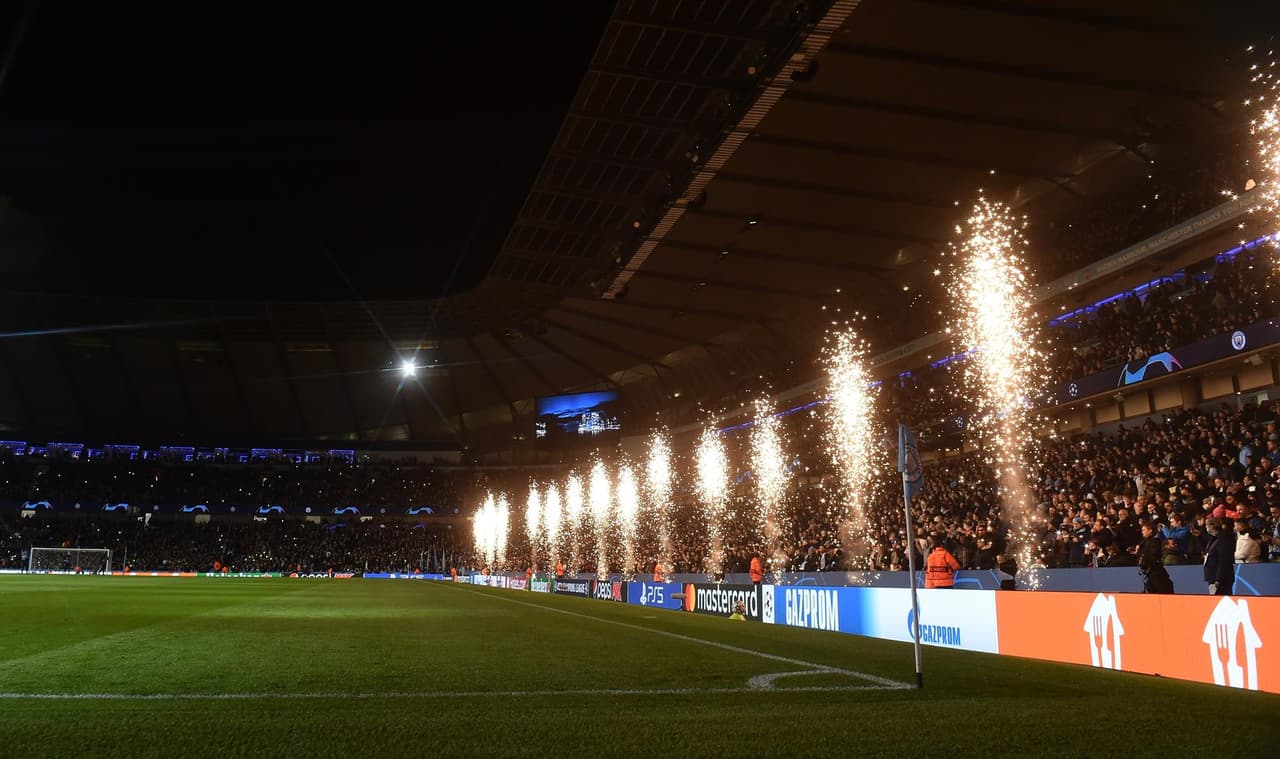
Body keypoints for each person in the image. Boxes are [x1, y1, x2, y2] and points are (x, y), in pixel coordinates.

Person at [1135, 523, 1174, 594]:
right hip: (1149, 573)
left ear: (1150, 531)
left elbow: (1152, 556)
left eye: (1144, 530)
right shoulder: (1144, 543)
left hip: (1156, 572)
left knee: (1160, 591)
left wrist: (1144, 558)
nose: (1142, 532)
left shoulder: (1155, 541)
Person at [1203, 518, 1236, 596]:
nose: (1206, 527)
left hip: (1221, 578)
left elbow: (1223, 560)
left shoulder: (1223, 539)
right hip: (1213, 577)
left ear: (1213, 526)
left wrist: (1218, 578)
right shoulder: (1213, 539)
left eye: (1207, 525)